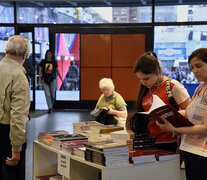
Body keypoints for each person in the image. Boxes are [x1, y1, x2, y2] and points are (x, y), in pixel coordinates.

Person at [156, 48, 207, 180]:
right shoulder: (201, 87)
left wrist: (174, 129)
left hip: (203, 152)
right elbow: (190, 112)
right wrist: (165, 114)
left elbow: (205, 128)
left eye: (199, 66)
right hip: (191, 147)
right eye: (192, 67)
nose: (195, 71)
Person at [133, 51, 191, 152]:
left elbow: (190, 111)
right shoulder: (146, 88)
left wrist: (165, 116)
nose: (143, 82)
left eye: (146, 78)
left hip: (170, 141)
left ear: (157, 72)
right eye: (139, 79)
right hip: (149, 140)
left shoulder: (173, 86)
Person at [0, 35, 30, 180]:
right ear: (25, 54)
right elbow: (17, 116)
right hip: (8, 135)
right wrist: (16, 149)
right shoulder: (19, 76)